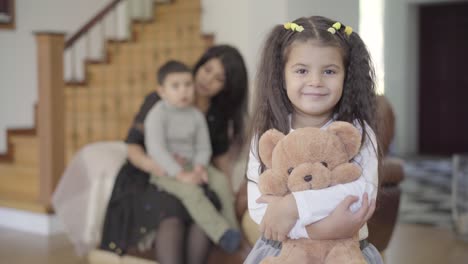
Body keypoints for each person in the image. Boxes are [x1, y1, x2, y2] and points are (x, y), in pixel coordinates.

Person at [244, 16, 383, 264]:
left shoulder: (356, 132)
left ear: (346, 76)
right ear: (281, 75)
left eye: (329, 71)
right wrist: (320, 229)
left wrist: (293, 206)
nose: (315, 81)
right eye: (301, 70)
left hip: (347, 254)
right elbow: (260, 210)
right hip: (281, 253)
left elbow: (362, 195)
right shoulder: (268, 134)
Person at [100, 45, 248, 264]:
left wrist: (201, 169)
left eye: (219, 79)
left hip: (193, 169)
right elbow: (137, 147)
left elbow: (209, 153)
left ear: (226, 87)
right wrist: (171, 169)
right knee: (180, 209)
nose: (207, 80)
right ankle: (222, 234)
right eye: (207, 70)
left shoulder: (211, 115)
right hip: (153, 172)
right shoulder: (158, 105)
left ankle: (230, 234)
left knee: (211, 198)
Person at [144, 60, 241, 253]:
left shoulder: (195, 116)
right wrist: (179, 174)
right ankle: (222, 234)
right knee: (192, 192)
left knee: (221, 181)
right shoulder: (157, 114)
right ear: (162, 91)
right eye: (175, 86)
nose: (184, 91)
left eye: (188, 85)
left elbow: (203, 147)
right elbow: (156, 149)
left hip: (193, 165)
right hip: (166, 170)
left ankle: (233, 227)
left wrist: (199, 167)